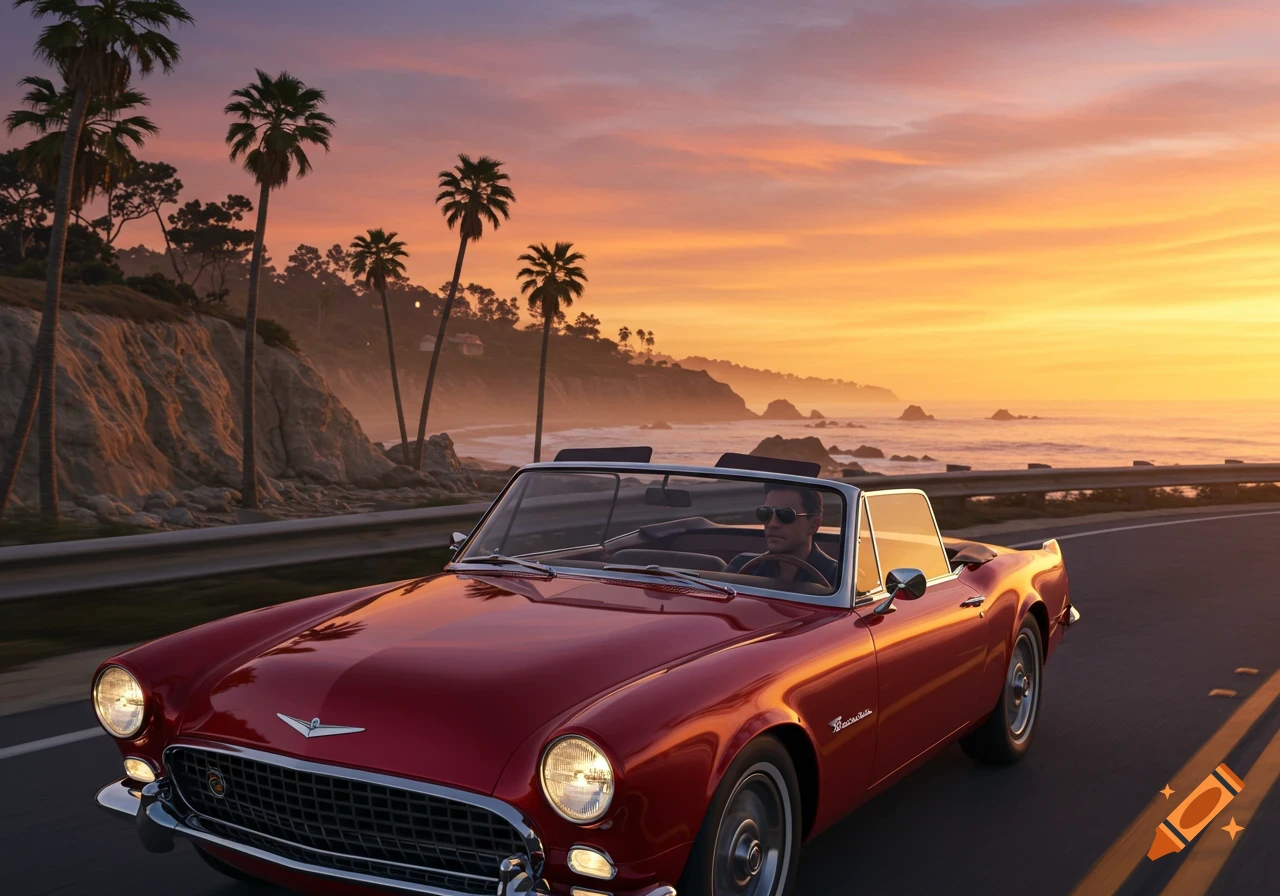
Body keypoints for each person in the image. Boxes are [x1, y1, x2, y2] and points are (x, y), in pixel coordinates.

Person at [727, 485, 839, 587]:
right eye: (766, 513)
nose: (772, 524)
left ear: (813, 524)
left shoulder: (838, 578)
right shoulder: (742, 566)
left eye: (785, 515)